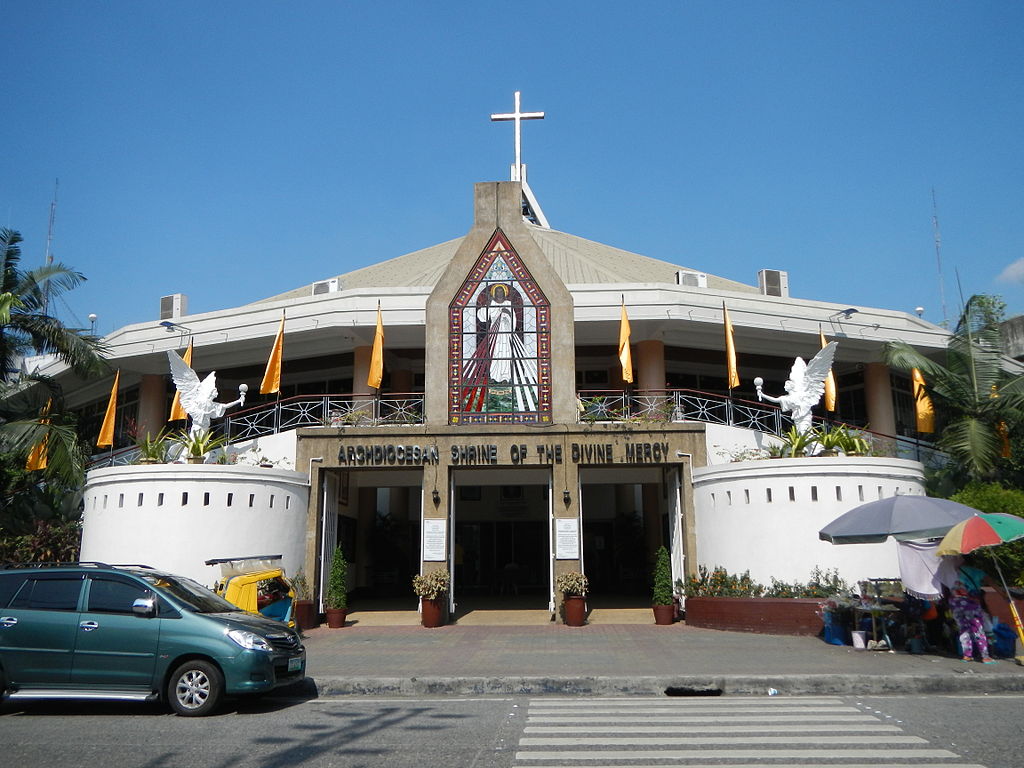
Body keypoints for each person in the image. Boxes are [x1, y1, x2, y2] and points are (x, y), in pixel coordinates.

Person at [948, 564, 994, 663]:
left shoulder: (952, 571)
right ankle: (985, 656)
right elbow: (992, 583)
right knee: (978, 629)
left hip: (955, 604)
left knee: (963, 629)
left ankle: (967, 655)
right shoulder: (977, 572)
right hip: (971, 604)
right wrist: (1004, 595)